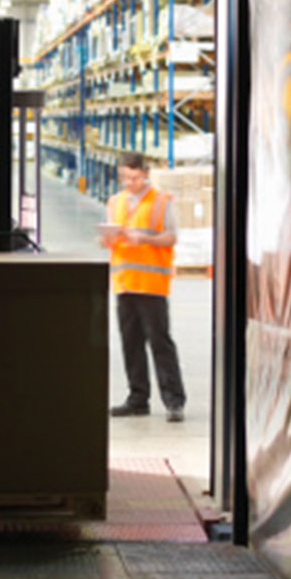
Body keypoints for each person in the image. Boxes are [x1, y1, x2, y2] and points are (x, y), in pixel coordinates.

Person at [101, 150, 186, 422]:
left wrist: (143, 238)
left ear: (145, 174)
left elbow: (171, 237)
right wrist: (108, 240)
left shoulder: (162, 201)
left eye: (135, 177)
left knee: (160, 342)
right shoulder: (115, 202)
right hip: (125, 284)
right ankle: (138, 399)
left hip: (151, 284)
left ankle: (174, 402)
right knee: (131, 343)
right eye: (125, 177)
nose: (130, 183)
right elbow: (112, 237)